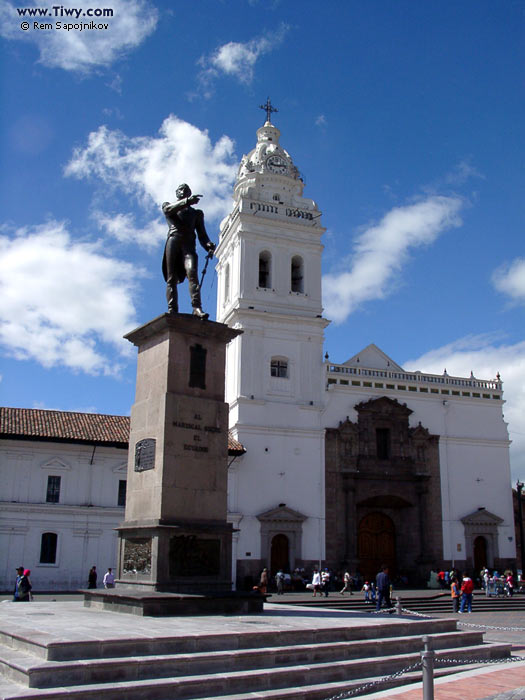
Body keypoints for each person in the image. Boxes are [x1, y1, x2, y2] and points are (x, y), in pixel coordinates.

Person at [161, 184, 216, 319]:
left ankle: (197, 307)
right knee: (171, 278)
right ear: (177, 193)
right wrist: (186, 202)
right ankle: (172, 309)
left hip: (189, 245)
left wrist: (208, 245)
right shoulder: (168, 205)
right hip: (174, 241)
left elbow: (202, 235)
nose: (183, 191)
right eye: (180, 189)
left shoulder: (196, 214)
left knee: (193, 275)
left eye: (186, 190)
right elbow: (168, 211)